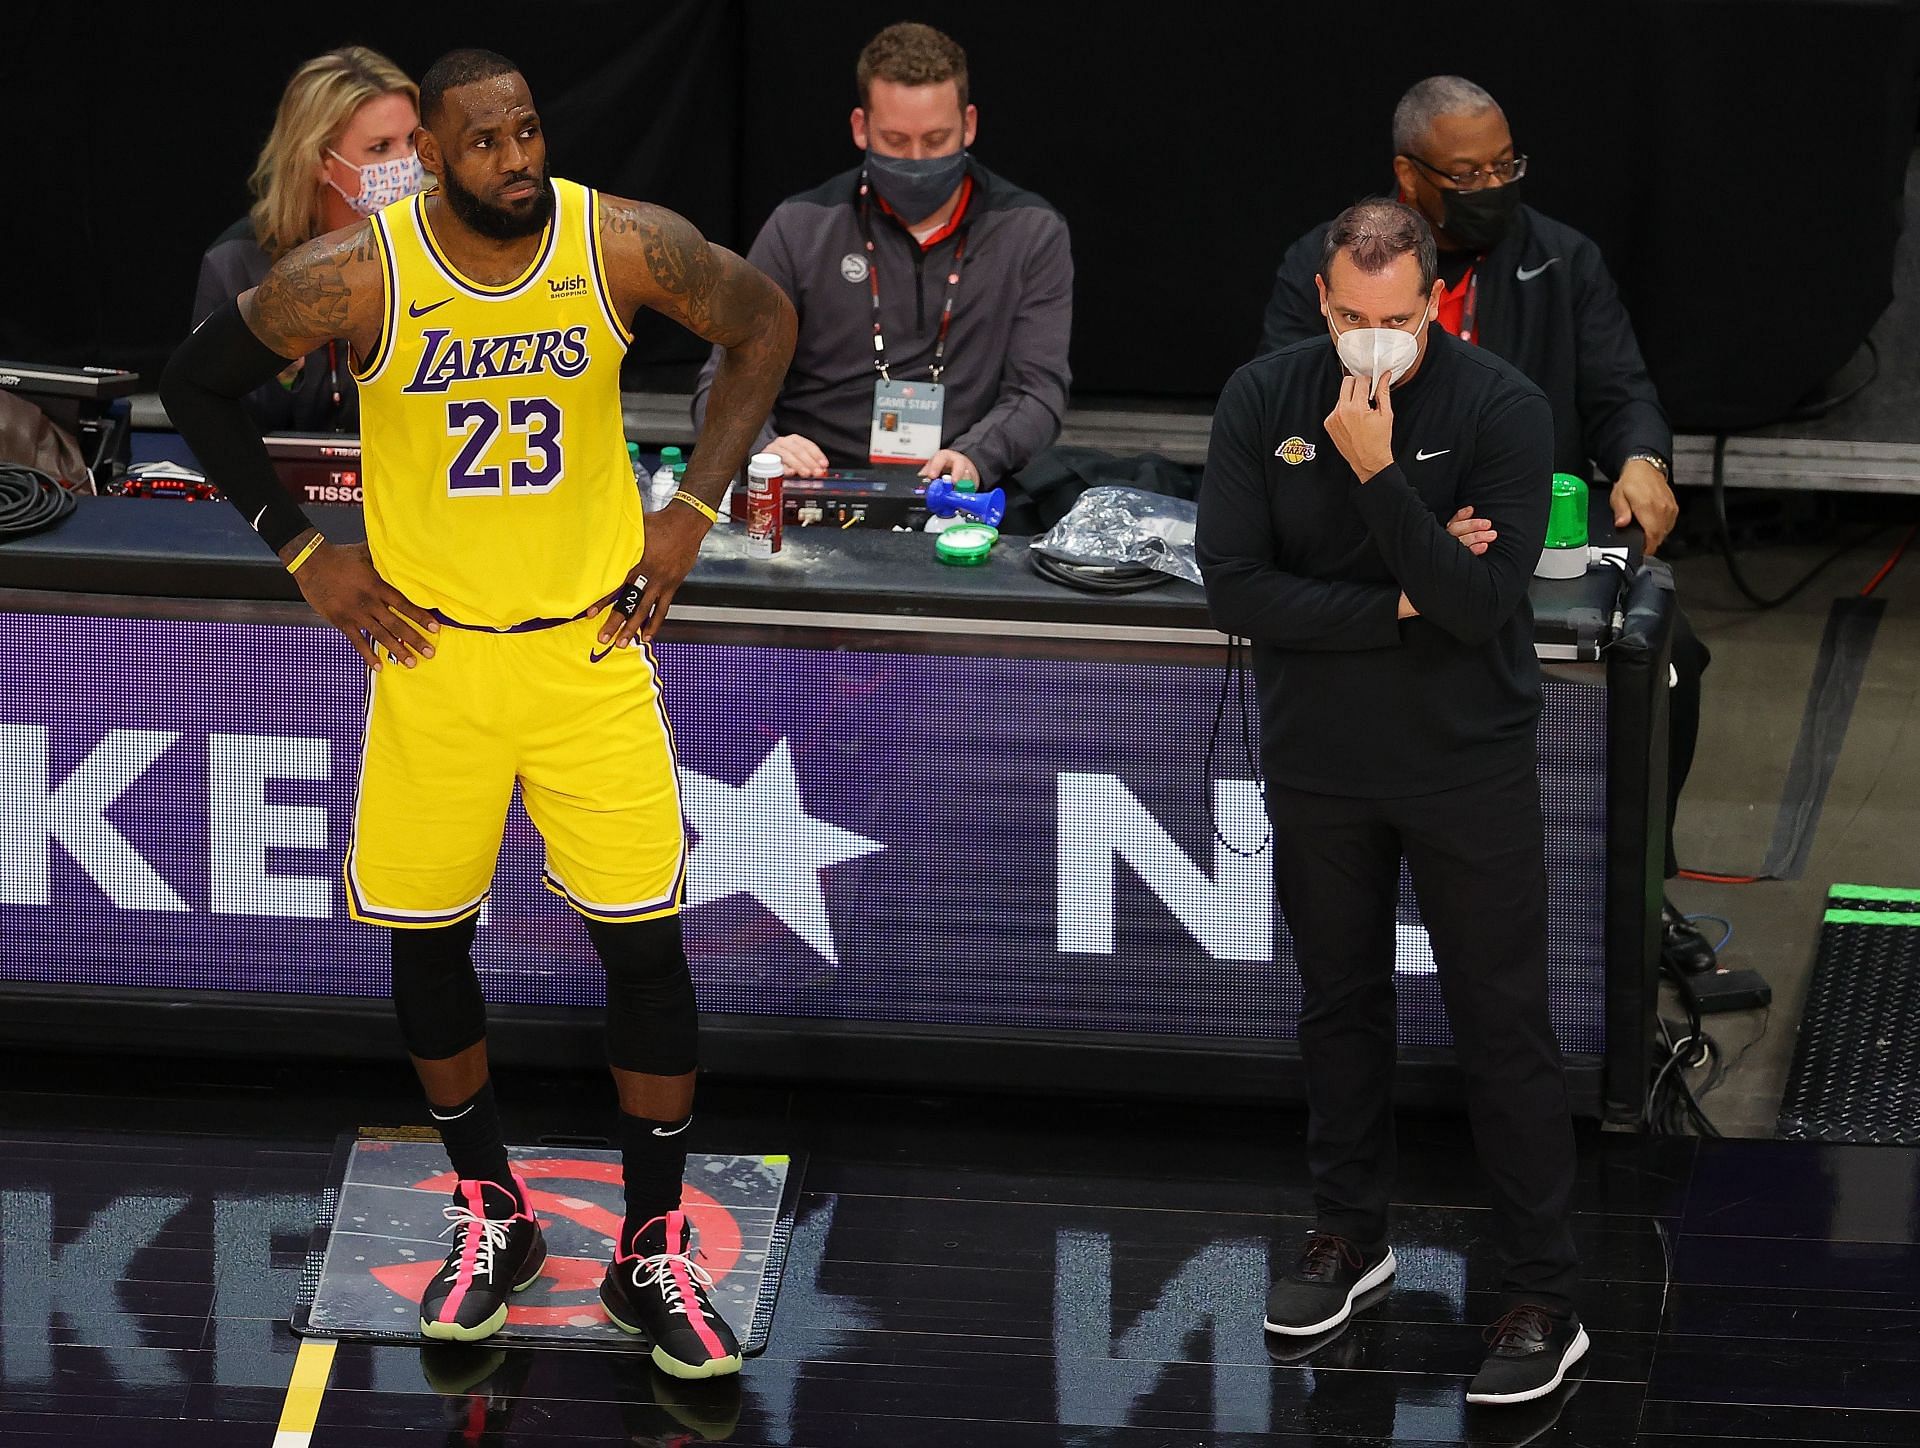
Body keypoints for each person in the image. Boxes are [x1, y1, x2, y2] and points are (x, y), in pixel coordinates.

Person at [162, 47, 796, 1378]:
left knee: (646, 952)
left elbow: (765, 320)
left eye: (528, 130)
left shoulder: (615, 242)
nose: (517, 157)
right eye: (487, 141)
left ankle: (649, 1250)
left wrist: (689, 515)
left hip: (586, 656)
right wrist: (303, 550)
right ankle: (493, 1216)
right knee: (429, 944)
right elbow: (197, 385)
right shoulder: (362, 272)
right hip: (435, 665)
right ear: (434, 156)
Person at [1199, 201, 1587, 1407]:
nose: (1375, 340)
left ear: (1435, 304)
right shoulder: (1262, 399)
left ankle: (1541, 1296)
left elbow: (1479, 609)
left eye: (1399, 319)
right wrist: (1406, 591)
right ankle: (1348, 1234)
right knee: (1339, 1004)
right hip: (1318, 762)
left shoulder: (1503, 408)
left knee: (1501, 1026)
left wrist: (1372, 480)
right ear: (1324, 302)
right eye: (1354, 319)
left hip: (1465, 762)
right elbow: (1236, 587)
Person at [1260, 75, 1717, 975]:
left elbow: (1622, 389)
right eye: (1465, 174)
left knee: (1676, 660)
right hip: (1376, 530)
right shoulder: (1335, 268)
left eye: (1504, 164)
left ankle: (1638, 888)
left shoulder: (1565, 259)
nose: (1493, 186)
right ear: (1409, 178)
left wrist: (1643, 459)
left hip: (1530, 530)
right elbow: (1283, 400)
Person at [691, 20, 1071, 488]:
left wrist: (976, 457)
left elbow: (1039, 390)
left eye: (936, 141)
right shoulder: (801, 225)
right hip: (813, 482)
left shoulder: (1030, 231)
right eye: (894, 141)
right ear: (861, 128)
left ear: (969, 125)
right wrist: (764, 447)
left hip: (956, 488)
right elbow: (722, 379)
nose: (915, 160)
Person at [191, 46, 428, 433]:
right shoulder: (238, 262)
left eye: (412, 140)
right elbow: (212, 417)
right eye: (380, 147)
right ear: (319, 160)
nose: (406, 162)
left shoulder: (444, 247)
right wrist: (281, 374)